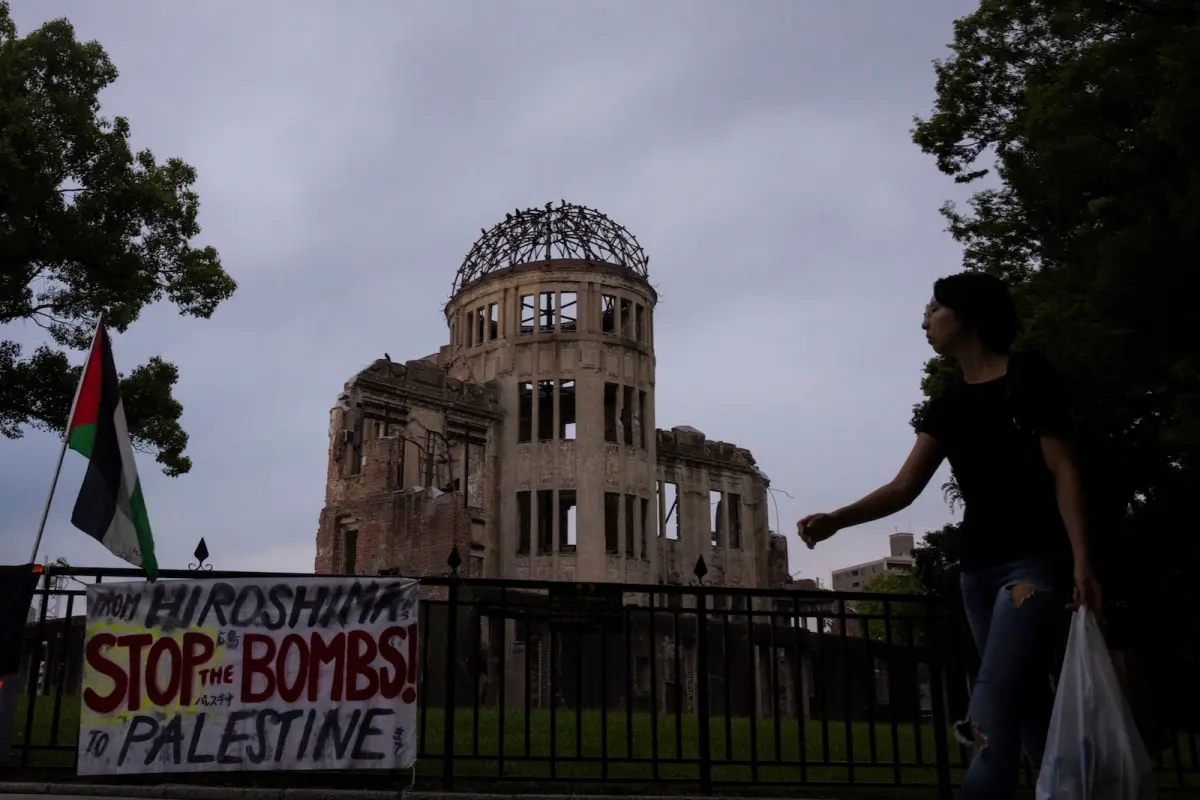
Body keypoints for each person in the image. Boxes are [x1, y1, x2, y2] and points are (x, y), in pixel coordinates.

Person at [797, 271, 1102, 800]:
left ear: (968, 316)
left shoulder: (1027, 376)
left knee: (992, 695)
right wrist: (836, 520)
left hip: (1031, 568)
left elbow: (1065, 471)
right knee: (1024, 696)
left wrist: (1081, 562)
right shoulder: (949, 401)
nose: (924, 320)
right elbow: (904, 488)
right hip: (978, 572)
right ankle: (1068, 789)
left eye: (935, 309)